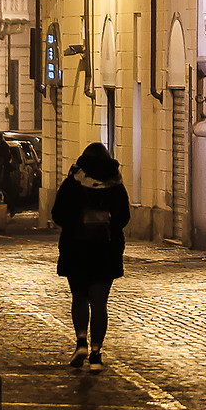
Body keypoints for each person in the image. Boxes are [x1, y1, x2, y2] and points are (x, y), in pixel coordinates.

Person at [50, 141, 130, 368]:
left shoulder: (72, 183)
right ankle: (96, 353)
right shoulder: (116, 185)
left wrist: (75, 223)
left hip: (76, 249)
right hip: (106, 251)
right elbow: (123, 218)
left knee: (79, 297)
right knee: (99, 302)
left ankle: (81, 342)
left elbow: (57, 214)